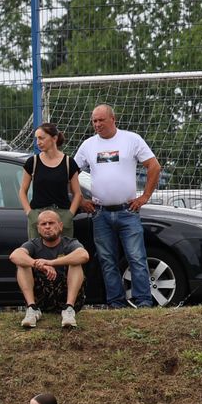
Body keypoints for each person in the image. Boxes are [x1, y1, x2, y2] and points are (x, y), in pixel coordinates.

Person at [74, 104, 161, 308]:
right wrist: (80, 200)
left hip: (128, 211)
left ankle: (143, 302)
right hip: (100, 213)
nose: (97, 124)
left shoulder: (131, 139)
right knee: (107, 260)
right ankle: (115, 303)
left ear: (113, 119)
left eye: (101, 120)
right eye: (94, 121)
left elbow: (154, 166)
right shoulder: (88, 145)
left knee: (137, 258)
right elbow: (70, 173)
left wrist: (145, 196)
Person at [11, 211, 89, 330]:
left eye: (51, 223)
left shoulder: (70, 243)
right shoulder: (33, 244)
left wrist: (50, 262)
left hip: (65, 296)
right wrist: (39, 265)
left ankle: (69, 310)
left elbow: (83, 255)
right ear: (38, 228)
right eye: (43, 224)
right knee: (22, 264)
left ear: (60, 226)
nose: (47, 226)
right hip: (41, 298)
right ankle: (32, 309)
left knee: (76, 263)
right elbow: (15, 255)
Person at [19, 122, 82, 238]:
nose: (38, 142)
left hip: (61, 216)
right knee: (38, 253)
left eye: (41, 138)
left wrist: (69, 215)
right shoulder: (32, 162)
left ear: (54, 138)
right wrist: (30, 214)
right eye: (36, 138)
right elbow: (22, 191)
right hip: (38, 216)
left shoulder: (69, 163)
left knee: (63, 254)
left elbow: (77, 193)